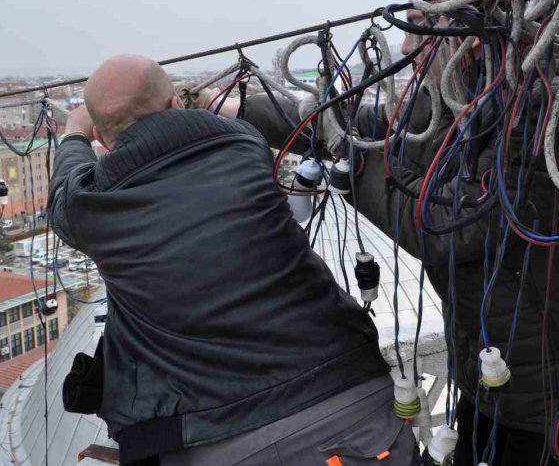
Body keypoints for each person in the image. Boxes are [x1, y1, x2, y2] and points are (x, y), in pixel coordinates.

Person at [194, 0, 559, 465]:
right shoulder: (468, 91)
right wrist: (242, 106)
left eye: (421, 23)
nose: (407, 47)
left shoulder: (553, 106)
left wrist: (347, 164)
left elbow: (450, 228)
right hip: (504, 376)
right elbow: (371, 129)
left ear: (471, 20)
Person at [48, 55, 421, 465]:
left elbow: (65, 195)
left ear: (102, 138)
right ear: (174, 106)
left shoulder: (94, 207)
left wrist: (73, 136)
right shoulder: (244, 145)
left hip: (212, 438)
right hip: (350, 401)